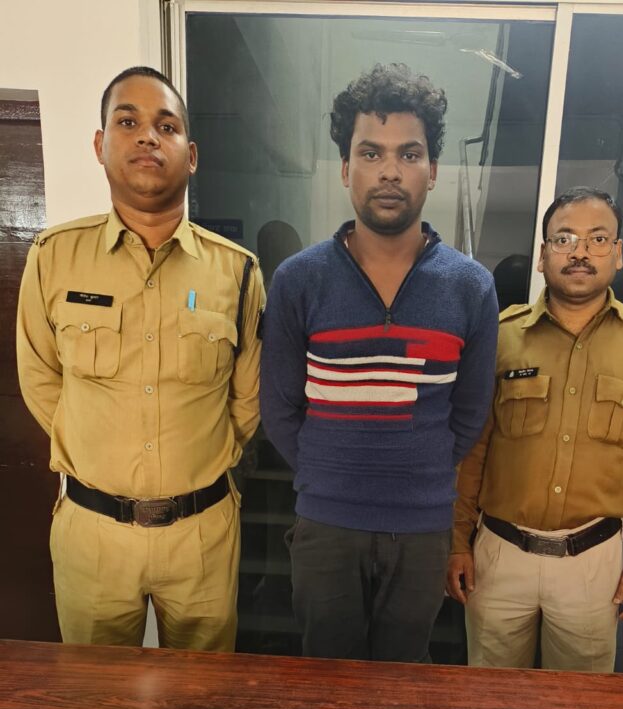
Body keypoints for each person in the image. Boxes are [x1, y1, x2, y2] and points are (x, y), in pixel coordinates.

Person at [16, 67, 263, 651]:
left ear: (191, 155)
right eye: (128, 122)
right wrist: (96, 449)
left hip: (202, 535)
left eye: (167, 126)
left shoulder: (237, 270)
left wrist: (193, 460)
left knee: (203, 695)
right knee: (94, 696)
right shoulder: (54, 256)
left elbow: (247, 399)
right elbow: (40, 378)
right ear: (101, 145)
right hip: (93, 533)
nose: (148, 136)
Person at [261, 63, 498, 662]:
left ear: (432, 170)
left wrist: (417, 472)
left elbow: (470, 412)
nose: (390, 171)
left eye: (408, 154)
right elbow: (280, 407)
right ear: (346, 168)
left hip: (422, 529)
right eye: (371, 153)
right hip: (325, 526)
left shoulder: (470, 287)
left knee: (402, 685)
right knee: (327, 686)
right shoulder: (298, 280)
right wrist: (329, 473)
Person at [447, 186, 623, 672]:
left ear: (618, 253)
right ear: (543, 254)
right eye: (564, 238)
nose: (580, 252)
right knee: (491, 697)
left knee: (580, 705)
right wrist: (457, 541)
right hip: (499, 557)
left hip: (592, 565)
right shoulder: (500, 337)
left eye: (598, 239)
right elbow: (473, 452)